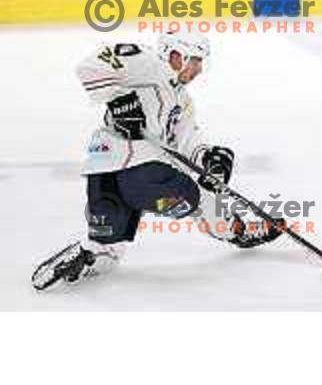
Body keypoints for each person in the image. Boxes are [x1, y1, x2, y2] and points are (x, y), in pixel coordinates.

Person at [32, 32, 281, 291]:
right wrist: (118, 98)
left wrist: (209, 159)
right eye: (195, 60)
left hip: (104, 173)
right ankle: (238, 231)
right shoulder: (146, 62)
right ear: (176, 55)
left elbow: (188, 139)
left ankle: (85, 255)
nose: (199, 69)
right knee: (194, 195)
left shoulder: (182, 101)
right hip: (138, 174)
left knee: (108, 253)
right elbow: (89, 67)